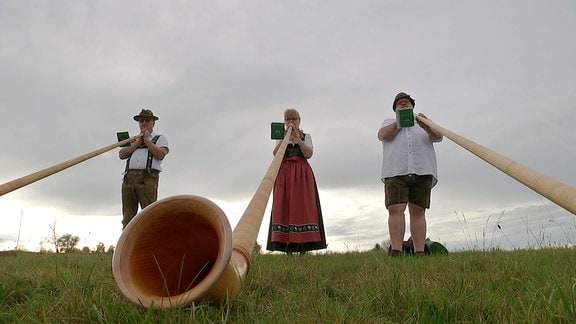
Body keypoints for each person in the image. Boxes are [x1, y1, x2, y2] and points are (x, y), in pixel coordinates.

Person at [377, 92, 443, 257]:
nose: (404, 104)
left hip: (422, 170)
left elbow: (438, 136)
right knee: (395, 209)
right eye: (400, 103)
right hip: (395, 171)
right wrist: (399, 123)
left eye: (407, 102)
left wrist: (425, 124)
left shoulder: (423, 122)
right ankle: (397, 250)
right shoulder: (389, 122)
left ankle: (419, 251)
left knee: (418, 210)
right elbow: (383, 135)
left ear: (412, 106)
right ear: (395, 108)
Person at [267, 108, 327, 254]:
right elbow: (276, 155)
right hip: (285, 174)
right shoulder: (280, 137)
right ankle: (286, 246)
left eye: (294, 119)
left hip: (302, 175)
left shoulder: (306, 136)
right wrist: (285, 137)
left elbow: (308, 154)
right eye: (288, 119)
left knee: (303, 207)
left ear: (299, 121)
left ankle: (303, 247)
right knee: (284, 205)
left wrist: (298, 138)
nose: (291, 121)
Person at [119, 109, 169, 229]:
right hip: (129, 179)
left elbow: (160, 154)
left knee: (149, 215)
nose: (144, 123)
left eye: (147, 120)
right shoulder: (131, 139)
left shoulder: (160, 138)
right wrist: (136, 143)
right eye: (141, 121)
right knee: (128, 217)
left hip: (147, 179)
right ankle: (127, 245)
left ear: (153, 123)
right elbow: (122, 154)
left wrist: (146, 140)